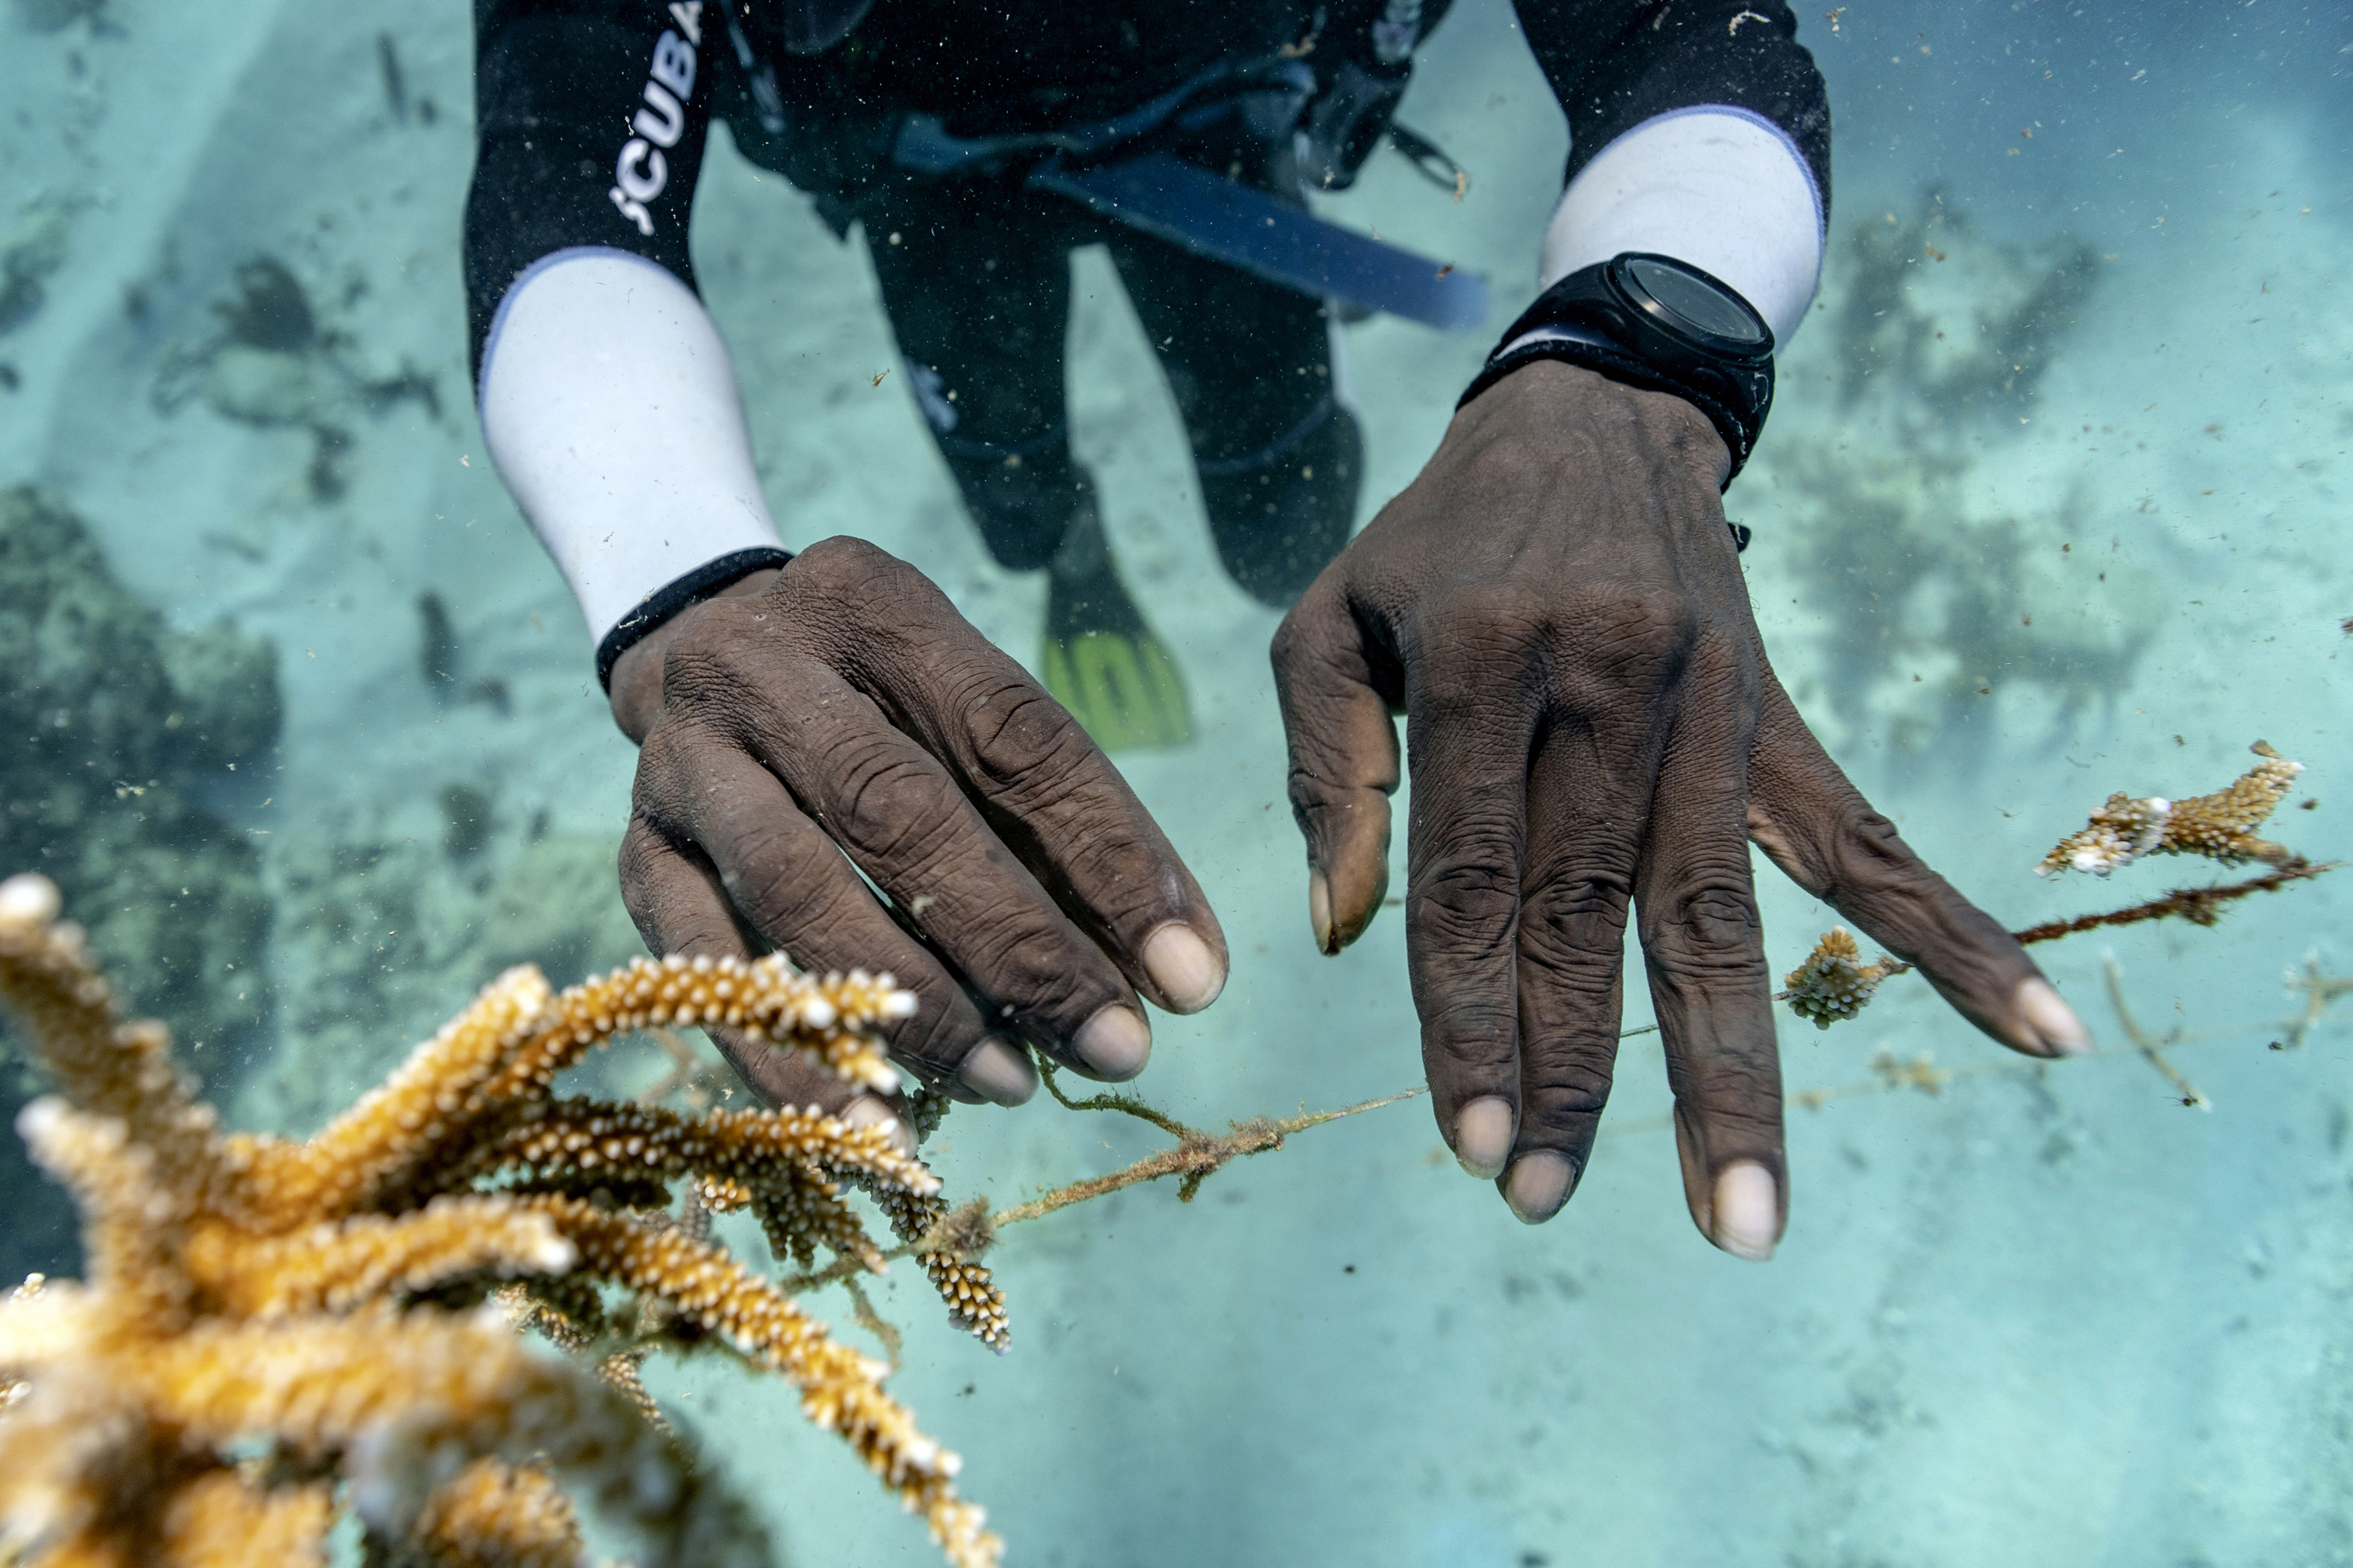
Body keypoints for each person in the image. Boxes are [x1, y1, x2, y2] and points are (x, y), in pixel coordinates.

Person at [463, 0, 2092, 1262]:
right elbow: (563, 150)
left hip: (1214, 141)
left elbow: (1674, 29)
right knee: (1023, 501)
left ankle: (1242, 586)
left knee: (1279, 522)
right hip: (934, 186)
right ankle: (1075, 565)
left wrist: (1628, 359)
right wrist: (677, 578)